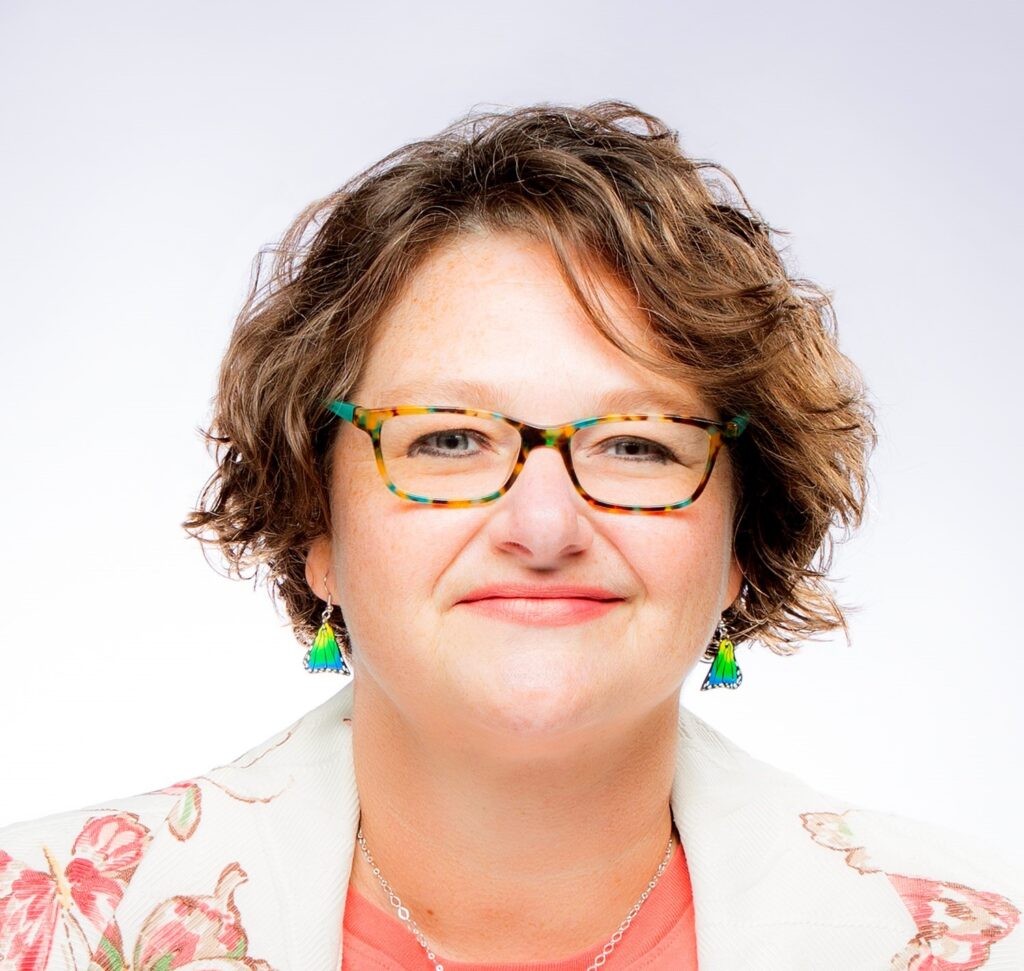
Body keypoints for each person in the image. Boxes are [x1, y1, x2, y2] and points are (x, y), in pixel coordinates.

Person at [0, 100, 1020, 971]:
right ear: (316, 521)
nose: (543, 524)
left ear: (741, 542)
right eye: (447, 438)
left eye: (637, 445)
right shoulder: (37, 925)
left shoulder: (975, 940)